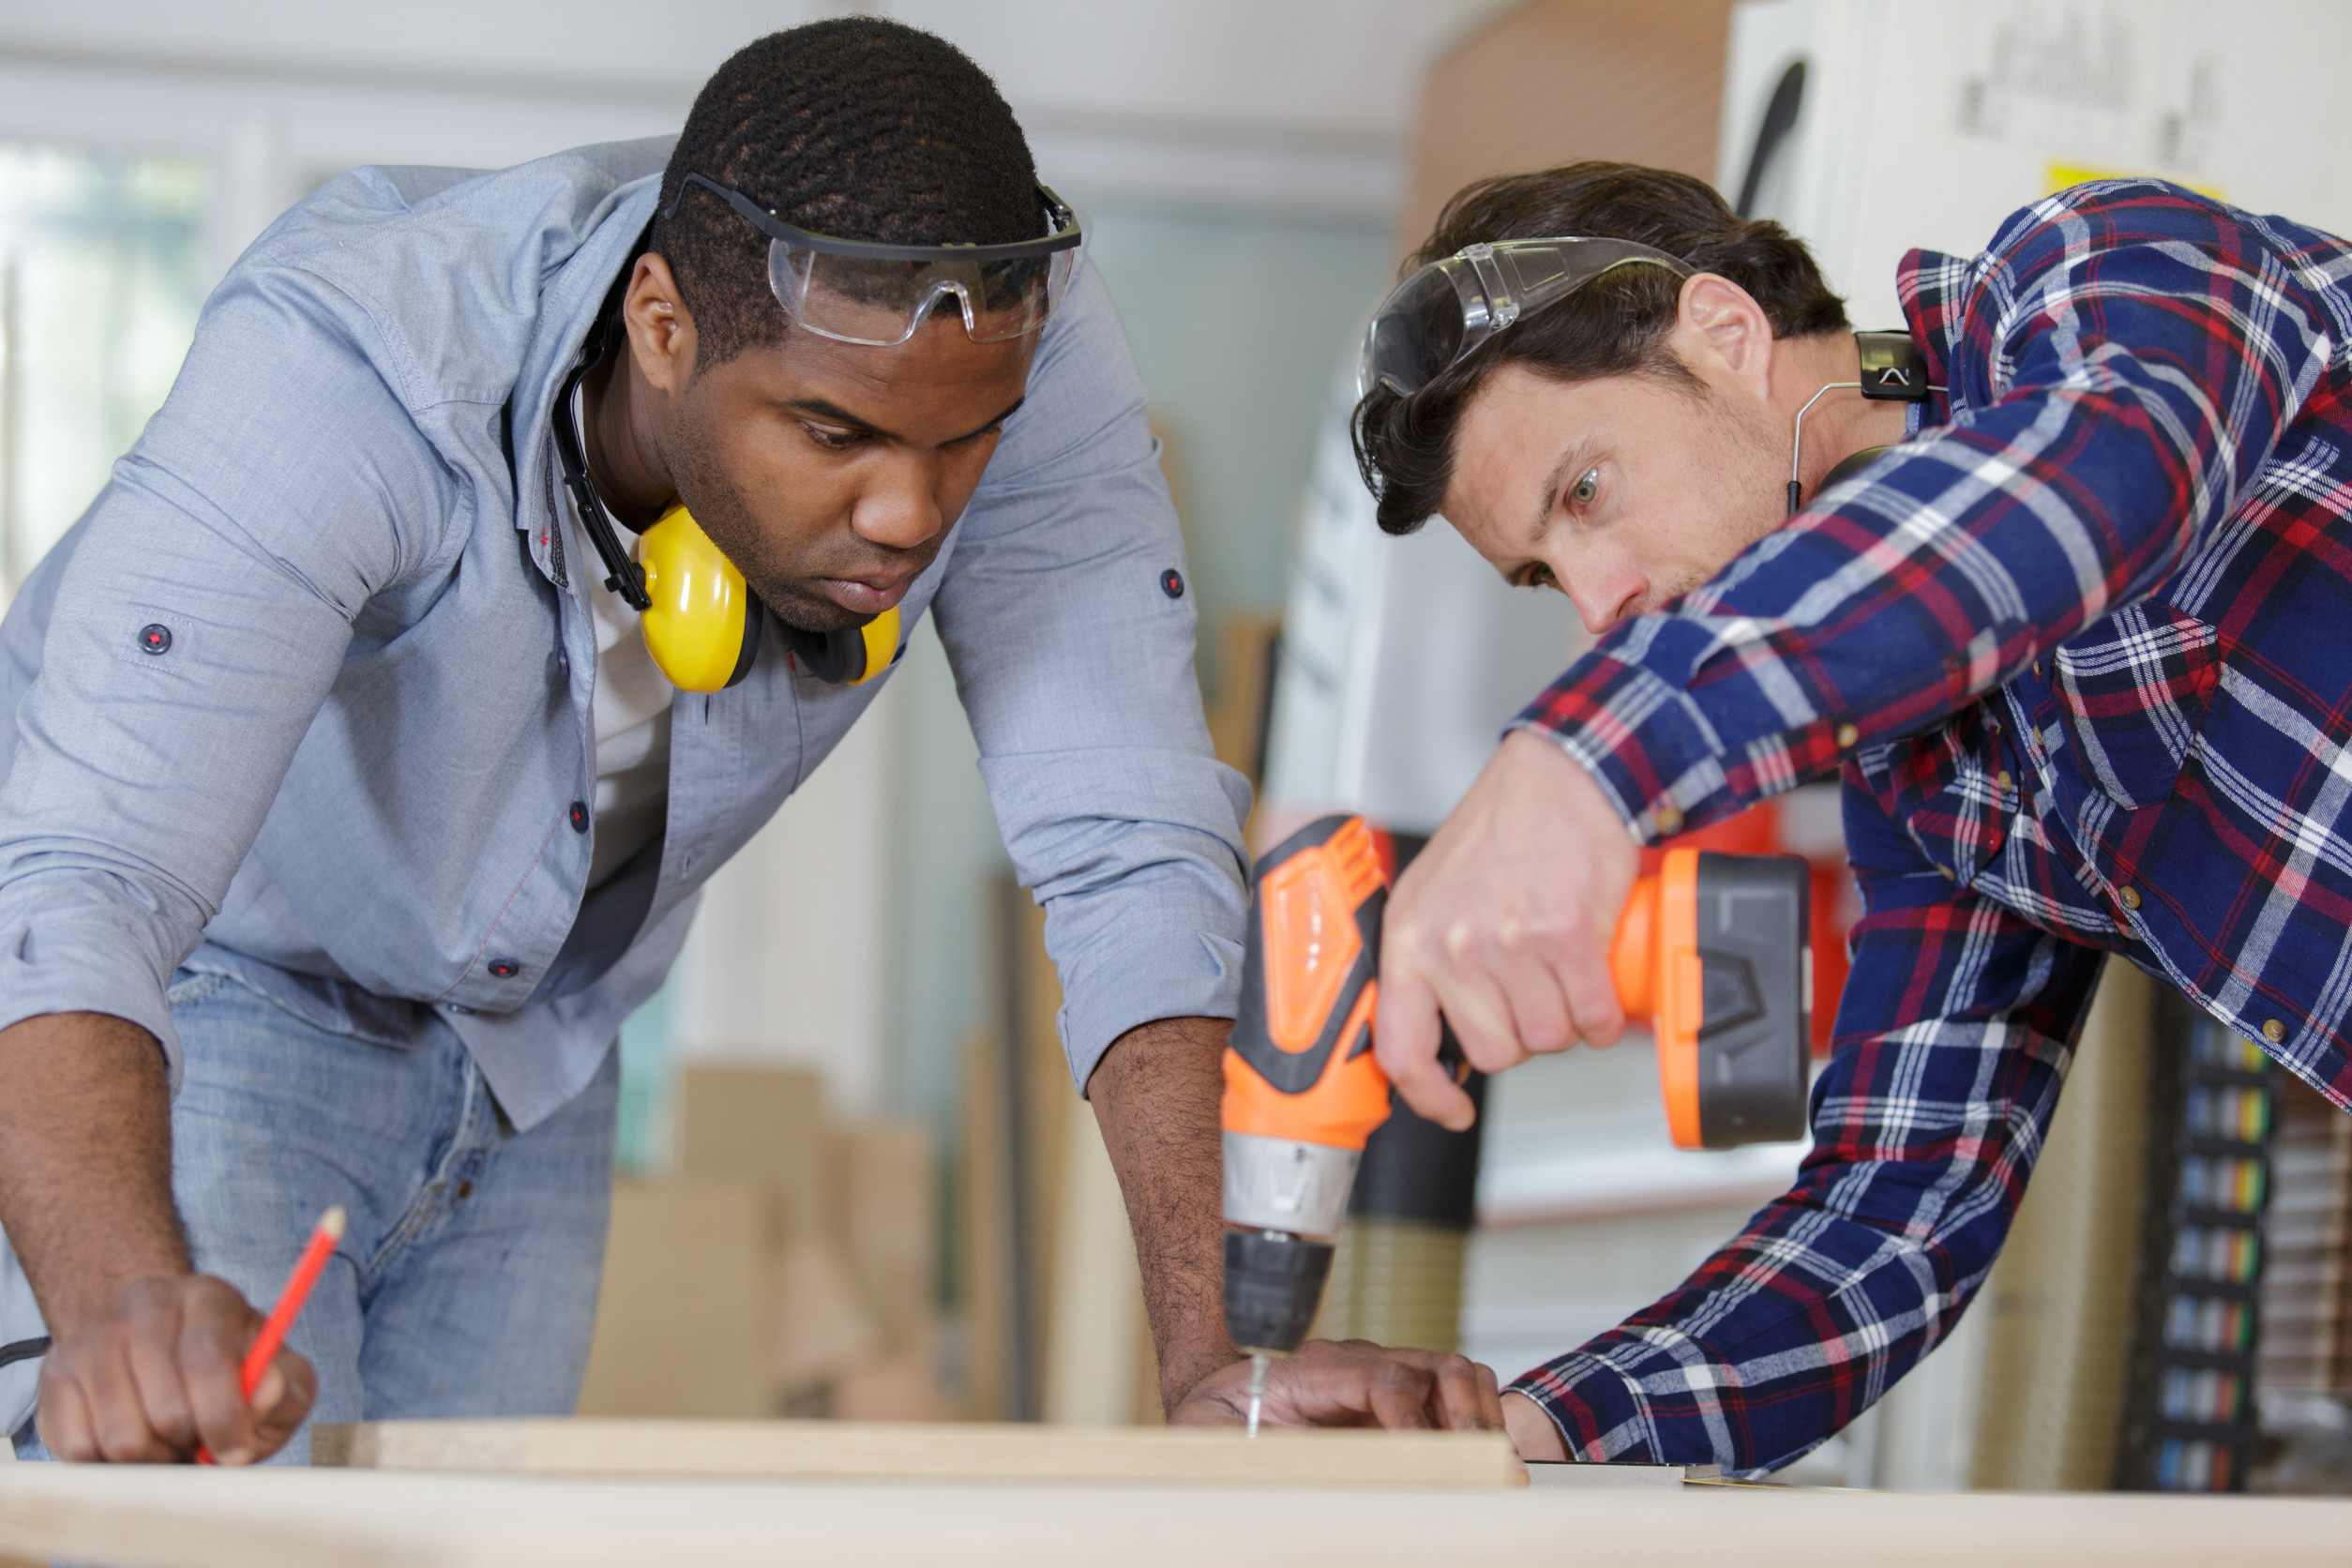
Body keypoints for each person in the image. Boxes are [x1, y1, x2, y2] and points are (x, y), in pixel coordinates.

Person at [0, 19, 1500, 1466]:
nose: (914, 514)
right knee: (208, 1497)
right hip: (214, 1005)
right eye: (836, 434)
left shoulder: (1008, 345)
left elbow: (1128, 842)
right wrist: (119, 1295)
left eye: (957, 443)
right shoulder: (356, 376)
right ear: (663, 327)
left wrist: (1214, 1361)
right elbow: (84, 873)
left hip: (542, 1043)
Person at [1348, 160, 2352, 1473]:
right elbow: (1896, 1206)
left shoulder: (2099, 267)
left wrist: (1588, 757)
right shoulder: (1928, 775)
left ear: (1724, 330)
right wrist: (1522, 1434)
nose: (1601, 603)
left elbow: (2097, 484)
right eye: (1547, 574)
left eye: (1586, 493)